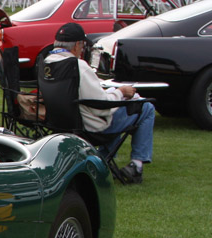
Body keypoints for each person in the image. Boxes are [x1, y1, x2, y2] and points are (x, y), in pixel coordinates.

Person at [44, 23, 154, 184]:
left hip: (60, 123)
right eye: (82, 46)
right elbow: (102, 106)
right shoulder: (78, 66)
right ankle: (136, 166)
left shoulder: (47, 62)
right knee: (146, 108)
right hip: (90, 127)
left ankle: (101, 158)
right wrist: (121, 92)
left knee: (117, 108)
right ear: (77, 45)